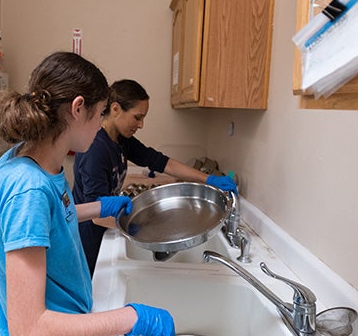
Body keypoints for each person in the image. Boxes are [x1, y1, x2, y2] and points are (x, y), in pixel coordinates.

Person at [0, 53, 176, 336]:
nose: (101, 124)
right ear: (77, 108)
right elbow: (30, 330)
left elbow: (54, 217)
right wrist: (131, 319)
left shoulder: (33, 160)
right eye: (100, 113)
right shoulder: (29, 189)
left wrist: (96, 207)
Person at [72, 79, 238, 275]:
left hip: (105, 234)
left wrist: (207, 179)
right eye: (137, 117)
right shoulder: (96, 150)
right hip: (90, 244)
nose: (141, 124)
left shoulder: (120, 140)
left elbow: (162, 162)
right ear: (115, 109)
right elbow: (96, 216)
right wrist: (144, 229)